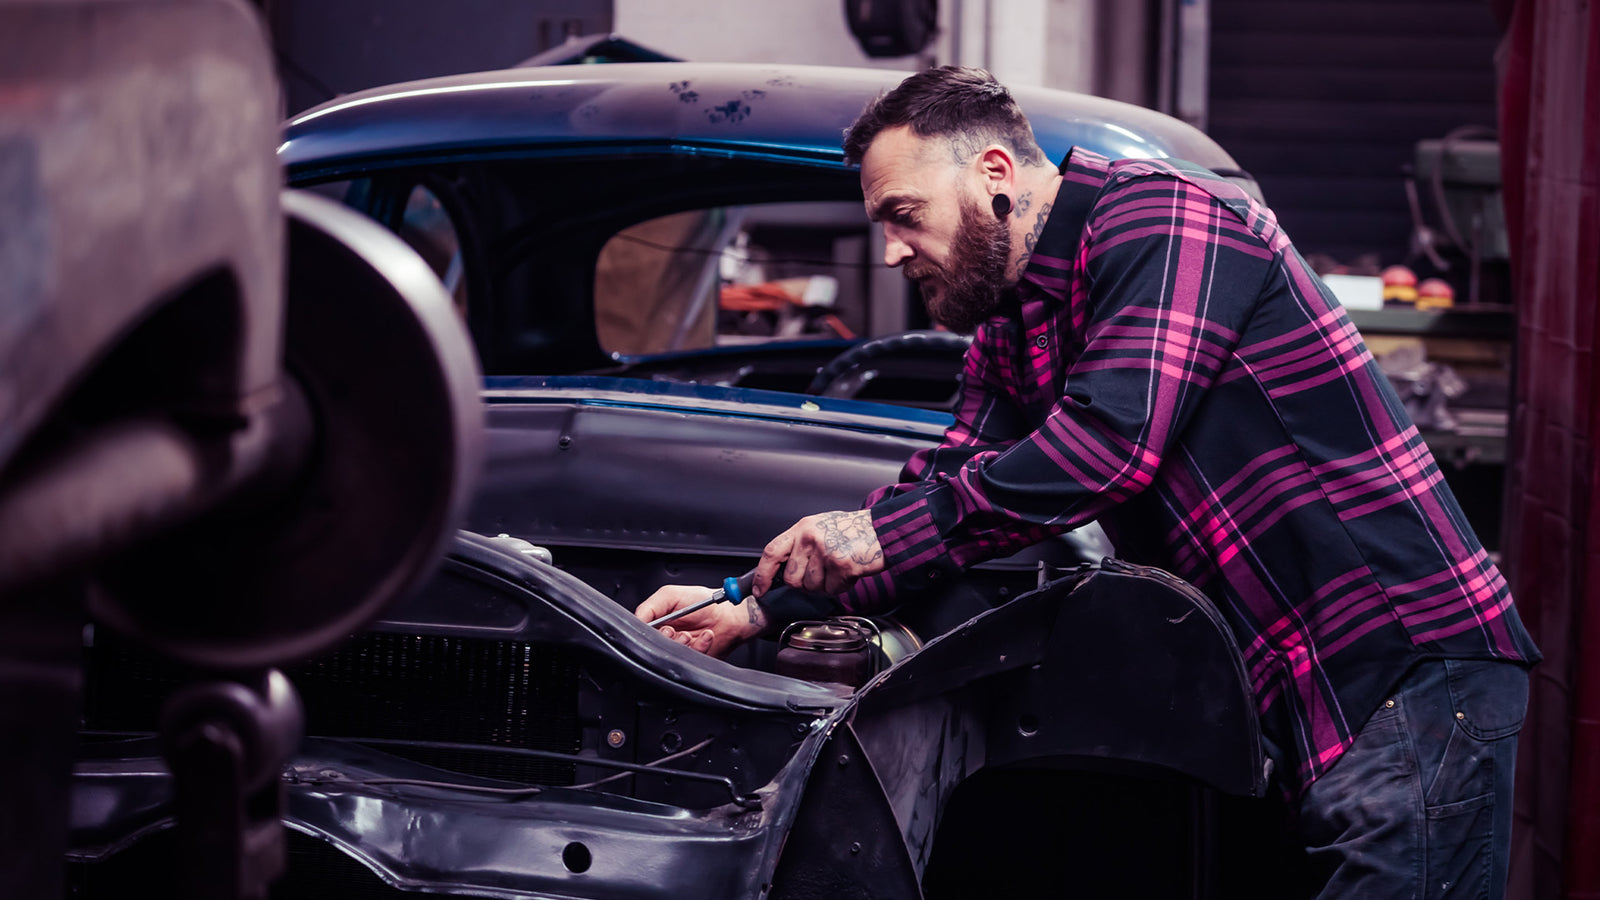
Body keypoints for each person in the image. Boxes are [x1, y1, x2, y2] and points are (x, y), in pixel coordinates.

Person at [635, 66, 1539, 898]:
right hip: (1290, 692)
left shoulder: (1164, 220)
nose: (891, 253)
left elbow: (1109, 445)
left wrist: (871, 536)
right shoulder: (1013, 324)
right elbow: (941, 495)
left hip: (1401, 668)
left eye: (904, 214)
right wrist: (755, 607)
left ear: (995, 172)